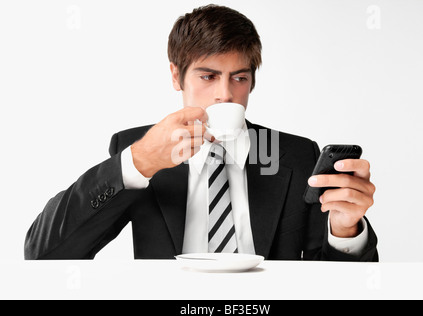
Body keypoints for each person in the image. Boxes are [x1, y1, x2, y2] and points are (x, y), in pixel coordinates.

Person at [25, 4, 378, 261]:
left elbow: (334, 286)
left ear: (252, 80)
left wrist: (346, 230)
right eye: (208, 76)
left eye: (239, 77)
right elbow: (46, 254)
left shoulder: (295, 155)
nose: (225, 94)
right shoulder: (139, 148)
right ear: (176, 76)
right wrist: (139, 161)